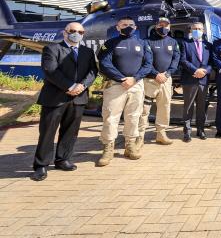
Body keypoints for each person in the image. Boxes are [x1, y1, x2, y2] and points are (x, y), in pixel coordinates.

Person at [31, 22, 98, 181]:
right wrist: (69, 86)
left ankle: (62, 159)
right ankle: (41, 165)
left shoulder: (87, 51)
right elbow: (50, 71)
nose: (77, 34)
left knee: (70, 132)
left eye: (80, 32)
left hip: (78, 98)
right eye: (73, 31)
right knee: (47, 133)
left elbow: (93, 71)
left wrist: (82, 86)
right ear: (65, 33)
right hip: (55, 98)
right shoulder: (52, 49)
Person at [97, 17, 153, 166]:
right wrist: (122, 79)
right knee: (110, 117)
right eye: (124, 25)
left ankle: (130, 145)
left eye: (130, 25)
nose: (127, 27)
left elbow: (148, 65)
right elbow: (104, 63)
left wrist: (134, 79)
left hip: (136, 86)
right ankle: (108, 148)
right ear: (118, 27)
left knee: (134, 116)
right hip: (116, 85)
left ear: (135, 28)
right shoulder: (110, 44)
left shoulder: (142, 43)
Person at [138, 17, 180, 149]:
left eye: (166, 25)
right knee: (144, 109)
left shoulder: (173, 42)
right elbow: (145, 61)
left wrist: (166, 74)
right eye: (161, 24)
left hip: (166, 80)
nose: (164, 27)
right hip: (150, 80)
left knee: (165, 107)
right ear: (156, 26)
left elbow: (176, 59)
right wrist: (156, 74)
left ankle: (161, 134)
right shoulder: (146, 41)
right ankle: (140, 136)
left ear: (170, 27)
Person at [179, 22, 212, 141]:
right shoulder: (185, 44)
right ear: (191, 30)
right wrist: (195, 70)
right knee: (188, 107)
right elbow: (183, 60)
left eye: (199, 28)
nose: (197, 30)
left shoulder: (208, 45)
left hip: (203, 80)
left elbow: (210, 63)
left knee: (201, 107)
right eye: (194, 28)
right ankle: (187, 132)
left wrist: (204, 71)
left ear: (203, 31)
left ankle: (201, 130)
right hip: (189, 80)